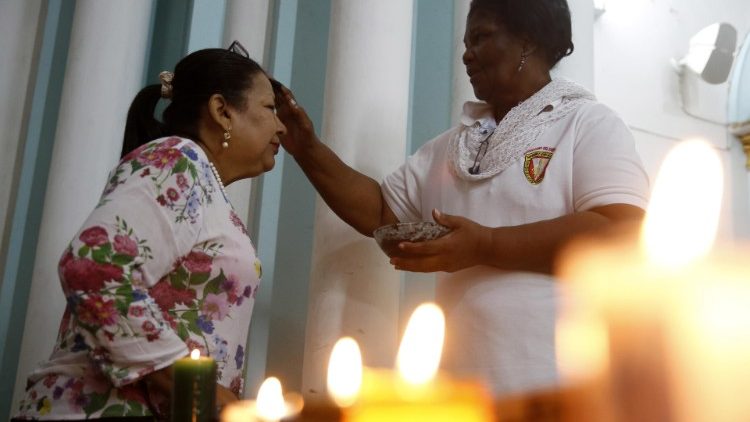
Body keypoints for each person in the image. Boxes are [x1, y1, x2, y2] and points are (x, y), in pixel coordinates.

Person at [275, 0, 649, 397]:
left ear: (527, 40)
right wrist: (308, 151)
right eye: (466, 42)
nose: (466, 54)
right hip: (460, 389)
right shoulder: (453, 147)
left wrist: (485, 245)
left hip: (557, 383)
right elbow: (381, 211)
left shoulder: (586, 123)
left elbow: (621, 230)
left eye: (482, 37)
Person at [14, 41, 286, 420]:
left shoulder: (203, 183)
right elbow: (94, 265)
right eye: (270, 108)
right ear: (222, 111)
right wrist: (191, 385)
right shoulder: (179, 159)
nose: (282, 125)